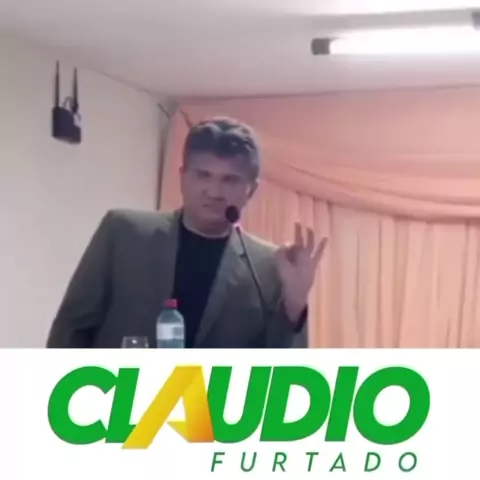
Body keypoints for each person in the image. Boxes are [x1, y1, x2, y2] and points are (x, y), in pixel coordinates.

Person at [46, 117, 327, 348]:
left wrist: (294, 306)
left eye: (229, 180)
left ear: (250, 190)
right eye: (203, 175)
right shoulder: (123, 233)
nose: (214, 191)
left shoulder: (270, 266)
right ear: (182, 177)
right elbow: (70, 331)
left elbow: (280, 375)